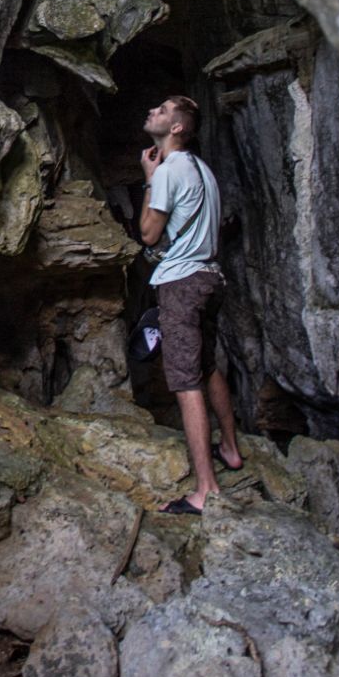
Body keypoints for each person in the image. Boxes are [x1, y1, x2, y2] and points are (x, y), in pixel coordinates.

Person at [139, 95, 243, 515]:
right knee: (206, 364)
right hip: (211, 277)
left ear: (177, 128)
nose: (153, 112)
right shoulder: (203, 170)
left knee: (185, 380)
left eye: (161, 110)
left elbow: (148, 233)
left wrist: (149, 176)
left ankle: (205, 491)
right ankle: (231, 449)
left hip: (182, 282)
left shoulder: (169, 170)